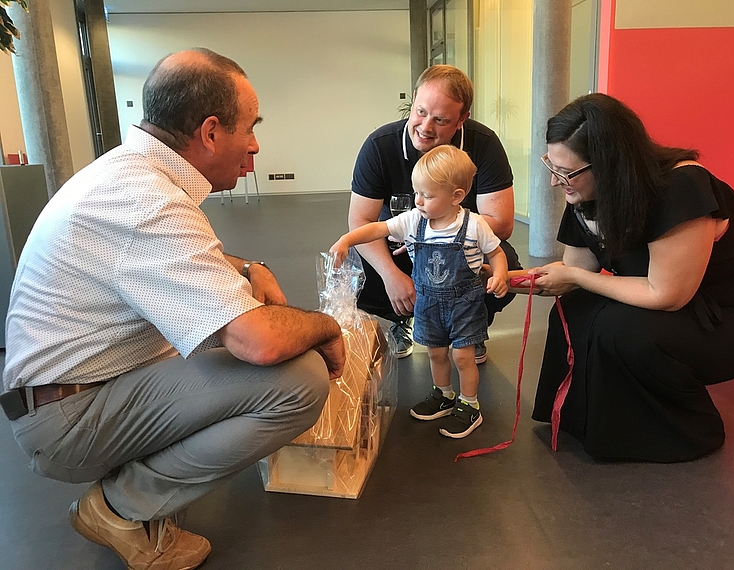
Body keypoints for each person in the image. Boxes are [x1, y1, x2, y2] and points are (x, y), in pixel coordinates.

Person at [0, 48, 345, 569]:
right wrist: (325, 325)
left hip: (74, 392)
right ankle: (119, 508)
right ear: (210, 133)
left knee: (238, 337)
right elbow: (259, 341)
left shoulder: (130, 174)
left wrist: (249, 269)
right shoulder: (148, 201)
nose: (255, 144)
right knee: (298, 380)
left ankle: (131, 488)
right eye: (250, 127)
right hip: (66, 422)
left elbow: (179, 261)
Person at [530, 93, 734, 462]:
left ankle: (686, 431)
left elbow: (667, 294)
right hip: (675, 307)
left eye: (566, 172)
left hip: (731, 314)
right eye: (552, 166)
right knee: (574, 309)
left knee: (623, 328)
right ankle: (590, 422)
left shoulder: (682, 186)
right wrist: (492, 278)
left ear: (608, 164)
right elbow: (574, 274)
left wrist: (573, 275)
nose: (557, 183)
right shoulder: (587, 193)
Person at [331, 145, 508, 438]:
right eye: (417, 193)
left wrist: (500, 274)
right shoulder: (414, 220)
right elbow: (377, 229)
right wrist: (346, 240)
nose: (419, 200)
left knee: (463, 357)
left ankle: (469, 405)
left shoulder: (474, 225)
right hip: (428, 303)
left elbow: (497, 253)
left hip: (464, 303)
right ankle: (444, 394)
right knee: (436, 354)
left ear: (456, 196)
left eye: (427, 195)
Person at [349, 64, 521, 362]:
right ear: (414, 99)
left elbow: (502, 225)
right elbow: (359, 221)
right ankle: (401, 318)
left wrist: (436, 236)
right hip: (402, 250)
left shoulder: (484, 144)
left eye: (440, 120)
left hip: (461, 249)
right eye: (420, 112)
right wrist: (392, 276)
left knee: (508, 262)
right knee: (358, 268)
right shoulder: (380, 146)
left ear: (462, 119)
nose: (426, 127)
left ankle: (470, 326)